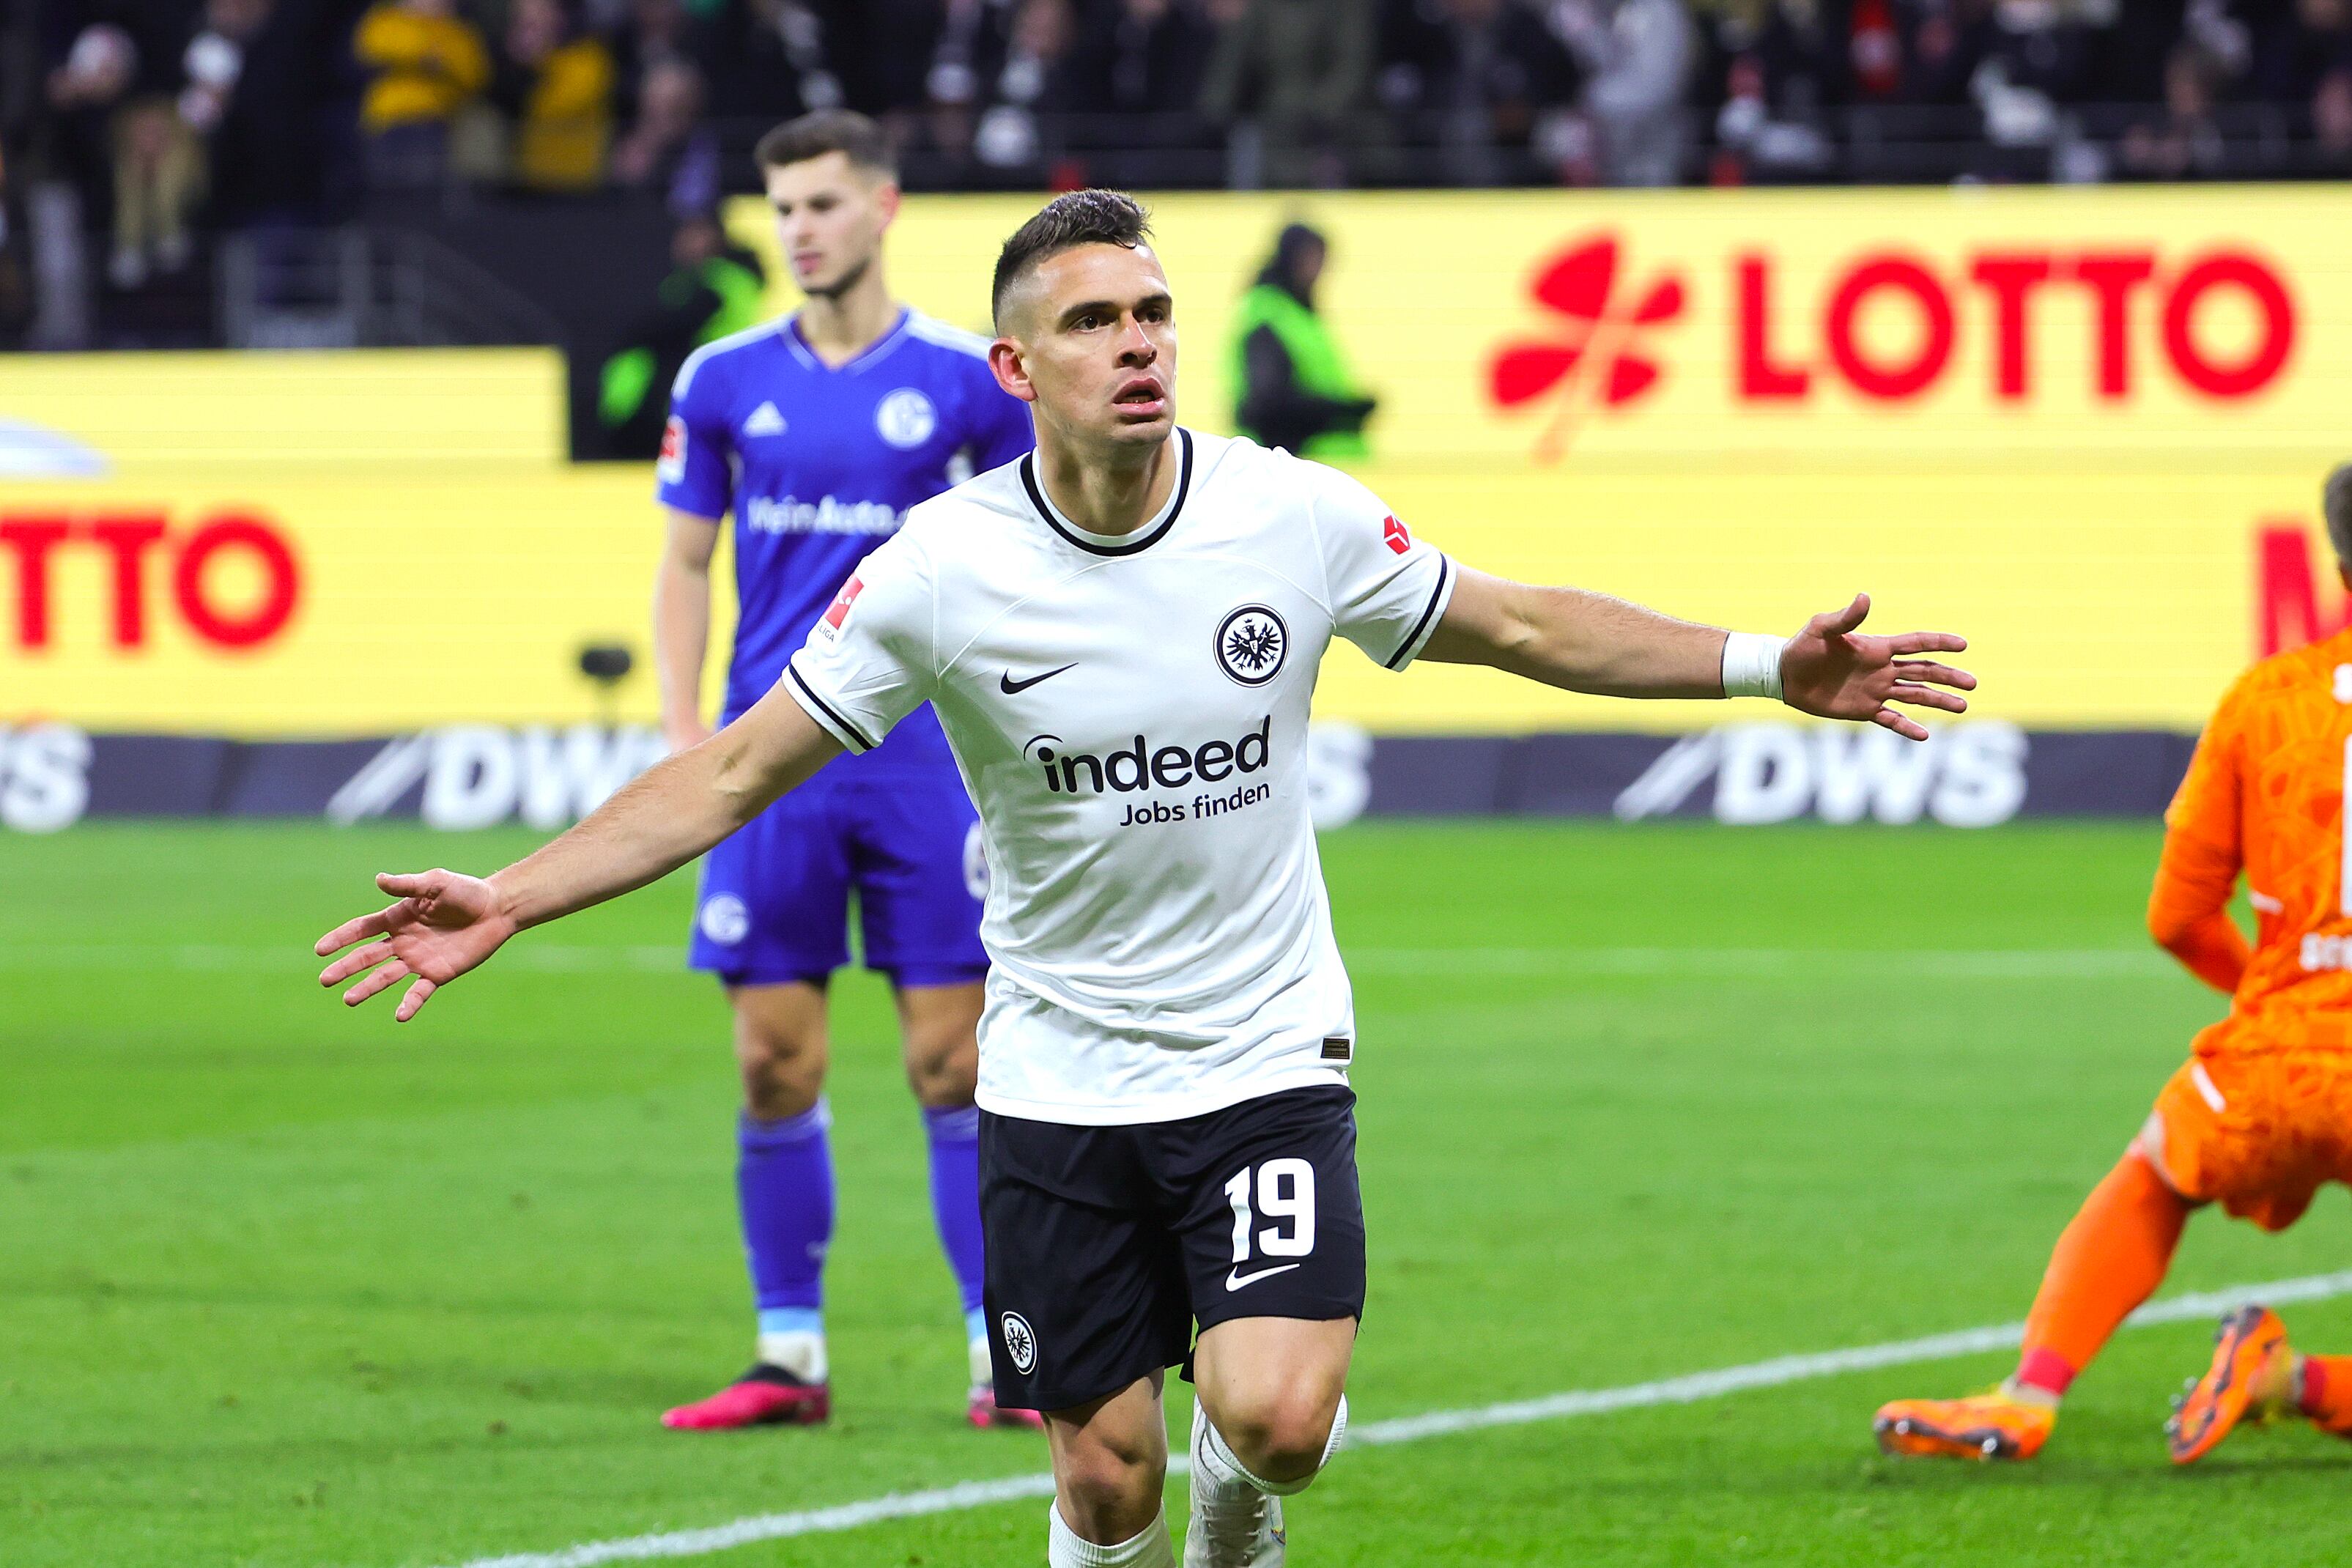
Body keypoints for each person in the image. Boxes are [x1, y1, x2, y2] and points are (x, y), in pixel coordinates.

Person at [317, 189, 1973, 1567]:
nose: (1141, 346)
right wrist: (514, 896)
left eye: (1155, 314)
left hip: (1259, 1050)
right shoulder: (942, 570)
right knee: (1098, 1479)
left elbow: (1527, 623)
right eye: (1098, 322)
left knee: (1273, 1419)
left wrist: (1768, 662)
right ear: (1015, 364)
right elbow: (735, 769)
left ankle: (1236, 1502)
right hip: (1057, 1070)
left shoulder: (1287, 515)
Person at [646, 109, 1038, 1432]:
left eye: (822, 203)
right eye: (784, 208)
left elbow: (1023, 564)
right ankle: (789, 1355)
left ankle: (1004, 1355)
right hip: (774, 761)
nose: (800, 229)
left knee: (954, 1065)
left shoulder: (971, 383)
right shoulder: (719, 380)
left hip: (924, 760)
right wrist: (677, 729)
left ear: (884, 207)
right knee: (771, 1061)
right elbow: (687, 562)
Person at [1875, 464, 2352, 1468]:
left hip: (2277, 1052)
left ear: (2338, 560)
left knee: (2152, 1178)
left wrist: (2283, 1002)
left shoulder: (2263, 702)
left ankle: (2028, 1395)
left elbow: (2177, 915)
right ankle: (2299, 1383)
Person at [1229, 221, 1374, 461]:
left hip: (1311, 468)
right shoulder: (1271, 316)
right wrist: (1342, 412)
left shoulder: (1297, 313)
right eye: (1312, 259)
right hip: (1295, 469)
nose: (1318, 270)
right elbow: (1269, 406)